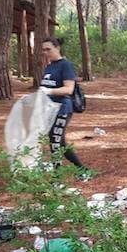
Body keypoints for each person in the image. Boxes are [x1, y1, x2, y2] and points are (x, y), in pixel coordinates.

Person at [38, 36, 91, 178]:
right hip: (50, 109)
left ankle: (57, 177)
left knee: (55, 142)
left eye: (48, 49)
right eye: (43, 50)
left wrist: (48, 91)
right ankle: (83, 170)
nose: (45, 52)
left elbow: (68, 89)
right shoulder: (49, 66)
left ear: (57, 48)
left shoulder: (65, 65)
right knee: (59, 142)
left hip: (62, 109)